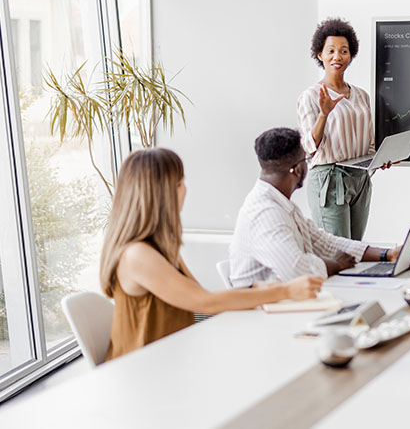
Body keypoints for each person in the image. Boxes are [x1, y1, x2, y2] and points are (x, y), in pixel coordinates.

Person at [98, 148, 324, 361]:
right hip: (143, 372)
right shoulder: (138, 255)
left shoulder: (159, 249)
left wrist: (259, 291)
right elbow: (204, 302)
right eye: (179, 183)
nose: (185, 189)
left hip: (169, 358)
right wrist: (285, 290)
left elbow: (197, 296)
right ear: (161, 195)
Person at [228, 128, 410, 288]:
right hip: (263, 312)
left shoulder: (281, 204)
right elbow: (296, 272)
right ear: (297, 169)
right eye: (306, 160)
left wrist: (386, 255)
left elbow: (323, 242)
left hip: (286, 303)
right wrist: (336, 264)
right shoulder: (266, 213)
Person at [297, 18, 388, 240]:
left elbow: (369, 142)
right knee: (339, 253)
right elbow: (309, 147)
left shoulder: (361, 95)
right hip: (329, 179)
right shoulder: (311, 96)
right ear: (320, 54)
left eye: (343, 51)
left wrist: (380, 159)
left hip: (360, 178)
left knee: (355, 250)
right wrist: (324, 114)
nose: (337, 57)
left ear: (351, 55)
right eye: (331, 51)